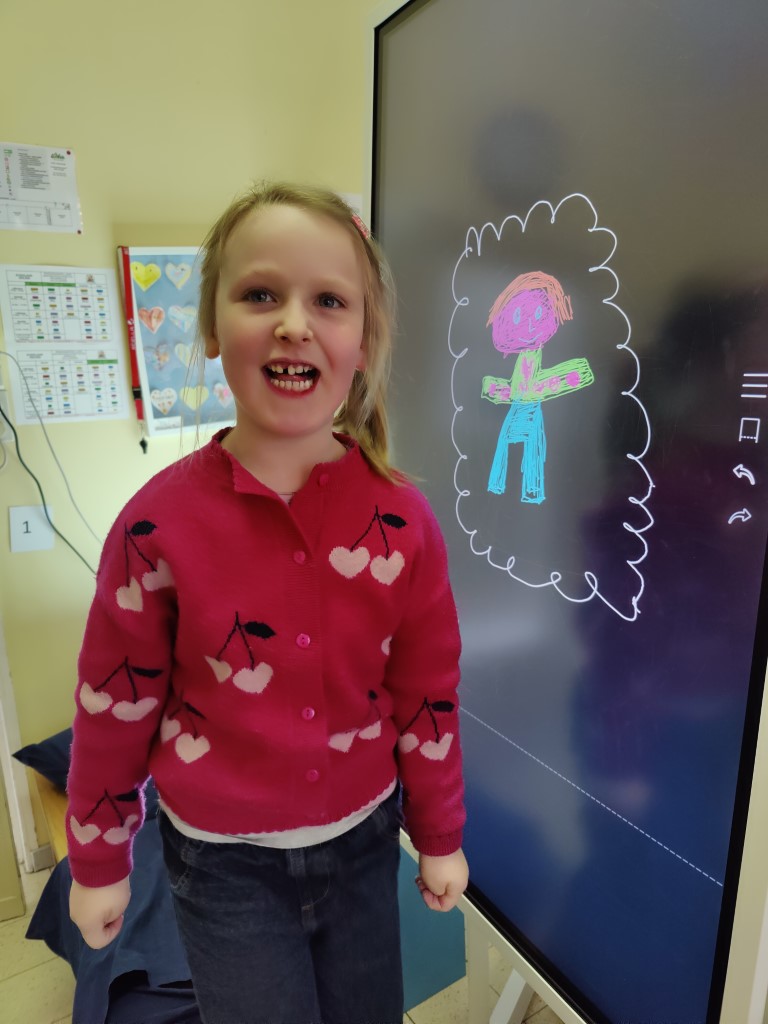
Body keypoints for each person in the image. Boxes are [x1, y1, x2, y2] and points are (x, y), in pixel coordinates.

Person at [67, 182, 468, 1024]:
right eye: (260, 295)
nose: (293, 323)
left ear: (365, 340)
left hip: (364, 843)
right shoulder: (153, 526)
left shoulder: (403, 521)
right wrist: (99, 862)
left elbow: (426, 691)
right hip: (221, 868)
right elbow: (114, 704)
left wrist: (439, 835)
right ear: (212, 328)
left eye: (329, 301)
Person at [481, 270, 594, 502]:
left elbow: (528, 388)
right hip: (519, 407)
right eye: (518, 316)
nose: (530, 325)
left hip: (530, 410)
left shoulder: (537, 356)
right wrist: (500, 390)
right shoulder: (524, 359)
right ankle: (502, 487)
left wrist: (574, 375)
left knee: (532, 449)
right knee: (507, 447)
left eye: (540, 313)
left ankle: (530, 491)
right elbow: (520, 388)